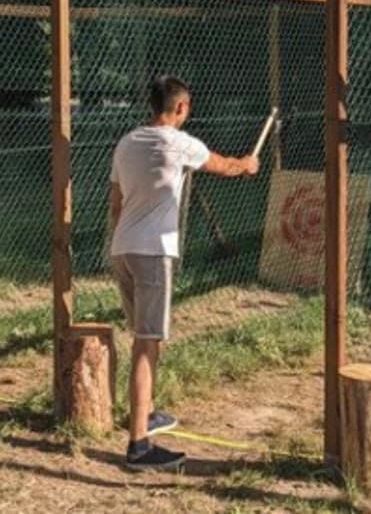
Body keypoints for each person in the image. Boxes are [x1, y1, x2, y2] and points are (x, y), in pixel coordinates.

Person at [109, 75, 260, 470]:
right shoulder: (180, 142)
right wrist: (247, 164)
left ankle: (148, 413)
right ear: (180, 108)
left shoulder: (127, 143)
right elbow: (223, 166)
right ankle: (139, 445)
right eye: (186, 108)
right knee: (146, 343)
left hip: (122, 248)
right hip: (152, 251)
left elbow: (116, 203)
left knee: (145, 339)